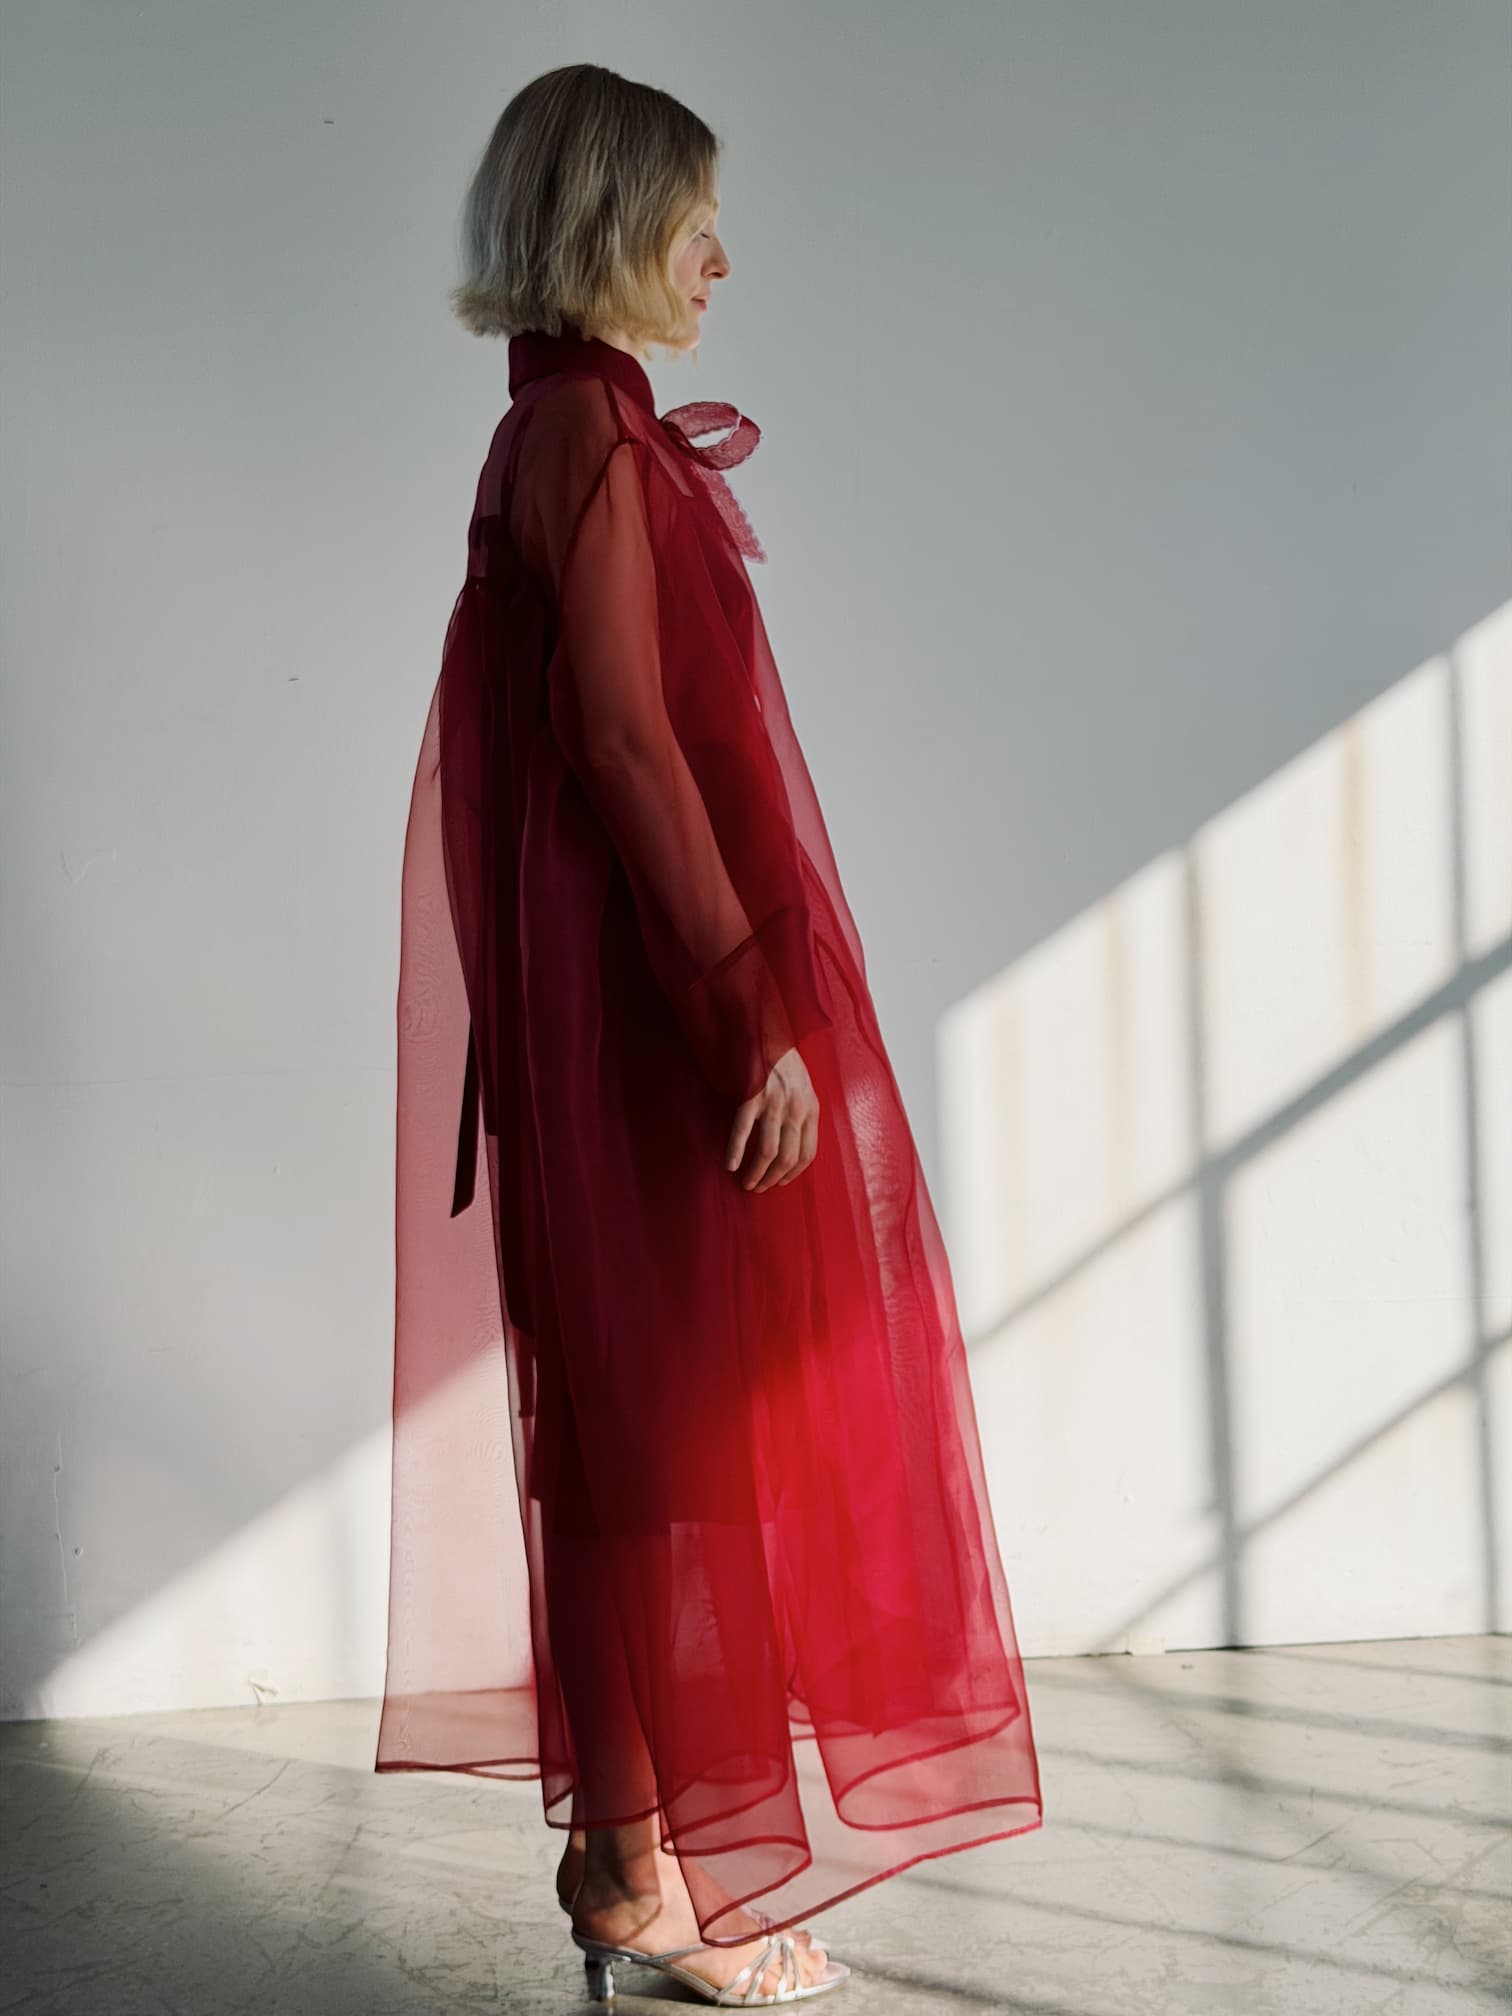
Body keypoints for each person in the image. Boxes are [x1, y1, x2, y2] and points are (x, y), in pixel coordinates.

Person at [376, 62, 1043, 2008]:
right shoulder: (586, 436)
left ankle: (634, 1853)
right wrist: (747, 1007)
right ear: (607, 234)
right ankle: (671, 1873)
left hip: (616, 1005)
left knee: (638, 1426)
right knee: (680, 1431)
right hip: (653, 1017)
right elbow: (621, 741)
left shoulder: (556, 435)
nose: (722, 261)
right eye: (693, 225)